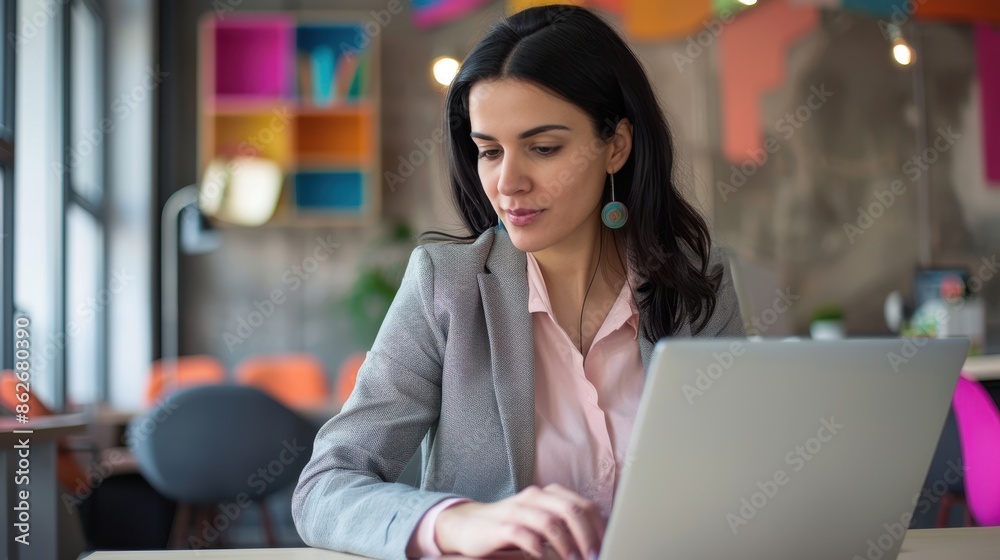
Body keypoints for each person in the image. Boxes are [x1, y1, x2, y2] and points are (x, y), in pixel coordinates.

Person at [292, 5, 745, 560]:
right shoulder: (446, 287)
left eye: (543, 148)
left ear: (616, 146)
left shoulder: (699, 287)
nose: (507, 183)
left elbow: (738, 483)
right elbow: (326, 487)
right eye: (489, 151)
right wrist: (458, 522)